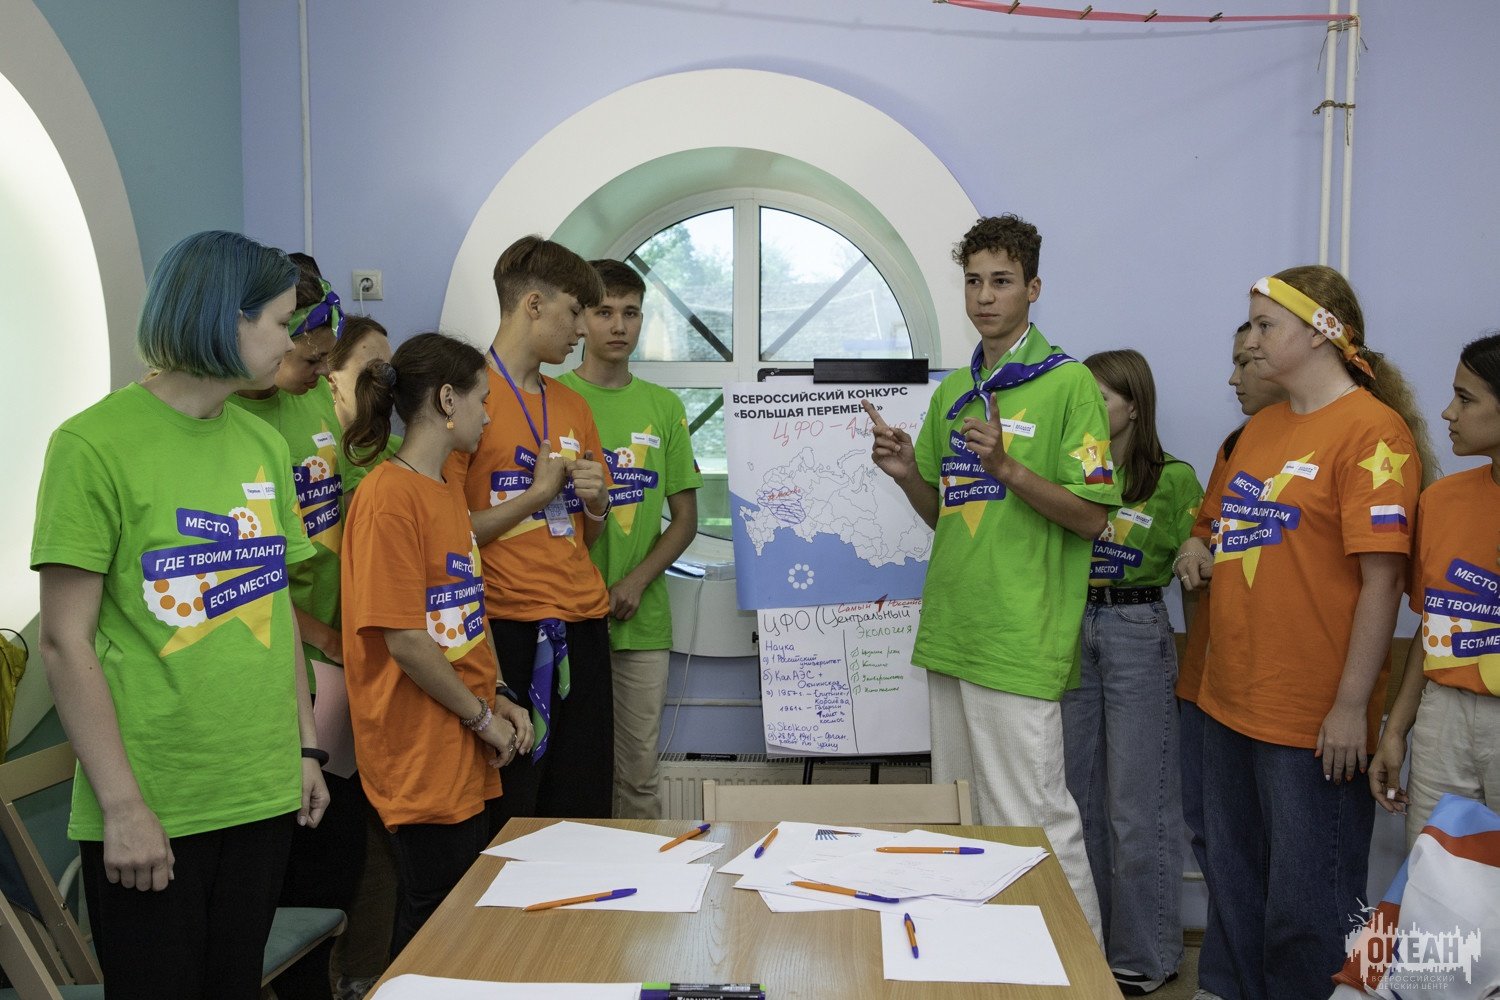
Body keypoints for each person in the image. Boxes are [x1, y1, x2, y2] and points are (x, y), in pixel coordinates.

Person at [31, 230, 327, 999]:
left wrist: (305, 748)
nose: (290, 341)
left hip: (260, 790)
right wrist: (122, 805)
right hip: (155, 799)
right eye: (279, 322)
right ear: (225, 318)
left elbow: (275, 605)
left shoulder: (262, 444)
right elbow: (64, 643)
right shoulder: (92, 445)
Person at [1182, 265, 1436, 1000]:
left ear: (1323, 333)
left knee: (1307, 905)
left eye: (1266, 326)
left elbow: (1383, 582)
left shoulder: (1373, 433)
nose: (1252, 341)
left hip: (1312, 717)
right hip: (1228, 699)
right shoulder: (1261, 429)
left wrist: (1352, 706)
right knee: (1234, 884)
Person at [866, 213, 1118, 940]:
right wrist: (907, 474)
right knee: (963, 820)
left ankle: (1078, 975)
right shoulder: (955, 391)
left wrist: (1008, 467)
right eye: (973, 281)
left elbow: (1093, 518)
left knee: (1033, 820)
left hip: (1018, 635)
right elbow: (946, 515)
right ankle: (982, 962)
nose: (984, 296)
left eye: (1001, 281)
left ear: (1033, 289)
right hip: (953, 629)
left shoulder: (1069, 383)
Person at [341, 332, 534, 957]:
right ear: (448, 400)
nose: (488, 416)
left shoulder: (446, 485)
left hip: (461, 738)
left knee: (458, 920)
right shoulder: (387, 498)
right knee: (435, 930)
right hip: (419, 746)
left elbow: (467, 612)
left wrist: (499, 694)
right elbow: (405, 640)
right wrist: (481, 718)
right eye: (482, 400)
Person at [443, 235, 615, 821]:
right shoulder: (465, 400)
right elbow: (448, 535)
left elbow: (586, 537)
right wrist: (537, 496)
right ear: (533, 305)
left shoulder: (573, 406)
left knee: (584, 806)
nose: (583, 331)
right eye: (576, 312)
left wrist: (595, 504)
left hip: (583, 624)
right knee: (514, 811)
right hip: (504, 628)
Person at [227, 269, 362, 999]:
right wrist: (324, 639)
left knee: (338, 840)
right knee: (287, 848)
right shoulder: (237, 423)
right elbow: (249, 569)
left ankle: (322, 980)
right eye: (307, 356)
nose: (318, 372)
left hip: (338, 651)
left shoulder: (311, 399)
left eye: (325, 359)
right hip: (292, 654)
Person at [1060, 348, 1201, 996]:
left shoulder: (1172, 478)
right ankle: (1089, 944)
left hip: (1136, 628)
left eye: (1103, 397)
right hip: (1071, 627)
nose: (1090, 408)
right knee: (1078, 800)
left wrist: (1198, 545)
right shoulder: (1072, 471)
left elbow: (1206, 542)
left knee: (1137, 806)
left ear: (1135, 406)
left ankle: (1145, 957)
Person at [558, 259, 701, 818]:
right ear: (581, 320)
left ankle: (642, 873)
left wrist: (637, 581)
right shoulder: (552, 398)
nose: (618, 325)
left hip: (640, 622)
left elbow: (685, 520)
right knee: (574, 773)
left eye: (631, 312)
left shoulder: (664, 407)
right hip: (565, 615)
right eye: (604, 312)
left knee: (639, 777)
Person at [1172, 323, 1286, 1000]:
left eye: (1248, 362)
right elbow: (1207, 526)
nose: (1233, 378)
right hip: (1207, 678)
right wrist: (1194, 546)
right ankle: (1224, 980)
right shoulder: (1236, 445)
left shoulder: (1343, 440)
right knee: (1215, 840)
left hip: (1270, 688)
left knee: (1279, 858)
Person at [1369, 332, 1500, 848]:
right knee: (1432, 875)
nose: (1448, 412)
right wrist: (1396, 731)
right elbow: (1434, 627)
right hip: (1442, 716)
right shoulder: (1441, 501)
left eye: (1465, 399)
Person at [325, 312, 397, 999]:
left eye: (388, 369)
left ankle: (367, 973)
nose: (382, 381)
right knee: (327, 828)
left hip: (380, 667)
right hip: (319, 663)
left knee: (378, 834)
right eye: (366, 370)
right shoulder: (313, 450)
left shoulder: (397, 458)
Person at [331, 315, 399, 497]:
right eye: (374, 368)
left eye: (388, 370)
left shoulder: (401, 452)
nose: (384, 382)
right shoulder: (318, 452)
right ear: (332, 379)